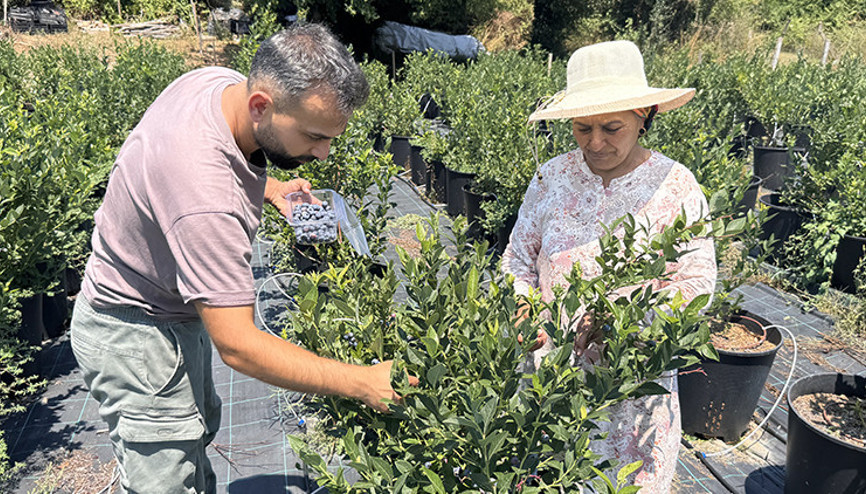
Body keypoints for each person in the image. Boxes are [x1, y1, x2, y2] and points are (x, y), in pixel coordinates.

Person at [70, 24, 414, 493]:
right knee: (165, 475)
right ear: (261, 106)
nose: (324, 152)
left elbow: (227, 154)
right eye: (314, 136)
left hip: (169, 306)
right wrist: (361, 382)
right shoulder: (204, 196)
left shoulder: (217, 83)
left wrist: (269, 188)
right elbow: (238, 346)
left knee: (195, 433)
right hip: (133, 328)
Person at [501, 40, 717, 492]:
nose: (595, 143)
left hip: (629, 395)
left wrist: (624, 316)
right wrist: (521, 306)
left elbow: (697, 282)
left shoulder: (675, 187)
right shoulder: (551, 178)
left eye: (611, 127)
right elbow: (518, 259)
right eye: (582, 128)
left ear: (646, 113)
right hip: (548, 380)